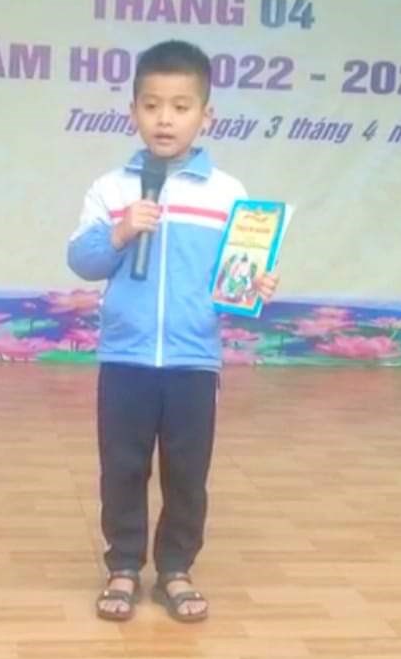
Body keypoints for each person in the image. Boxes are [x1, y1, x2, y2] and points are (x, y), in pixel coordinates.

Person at [67, 40, 279, 623]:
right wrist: (119, 232)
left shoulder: (228, 193)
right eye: (152, 105)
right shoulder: (112, 188)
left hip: (193, 361)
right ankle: (123, 566)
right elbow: (81, 261)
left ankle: (177, 569)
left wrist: (255, 287)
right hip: (126, 359)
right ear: (133, 111)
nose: (165, 119)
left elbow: (235, 286)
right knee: (122, 467)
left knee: (187, 473)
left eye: (181, 107)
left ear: (206, 116)